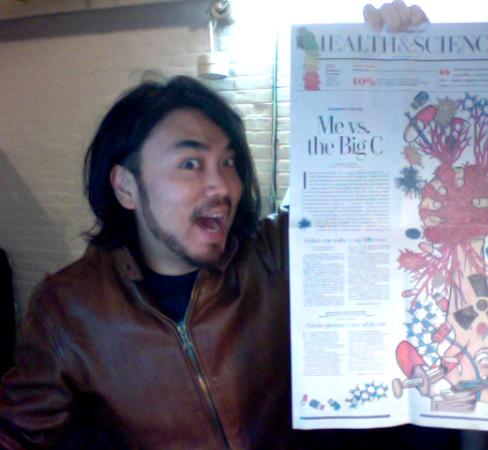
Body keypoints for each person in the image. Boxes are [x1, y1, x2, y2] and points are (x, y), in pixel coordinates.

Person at [0, 2, 429, 449]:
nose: (222, 186)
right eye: (190, 163)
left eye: (228, 162)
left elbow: (388, 201)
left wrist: (398, 73)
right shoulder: (68, 310)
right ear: (126, 187)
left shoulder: (276, 256)